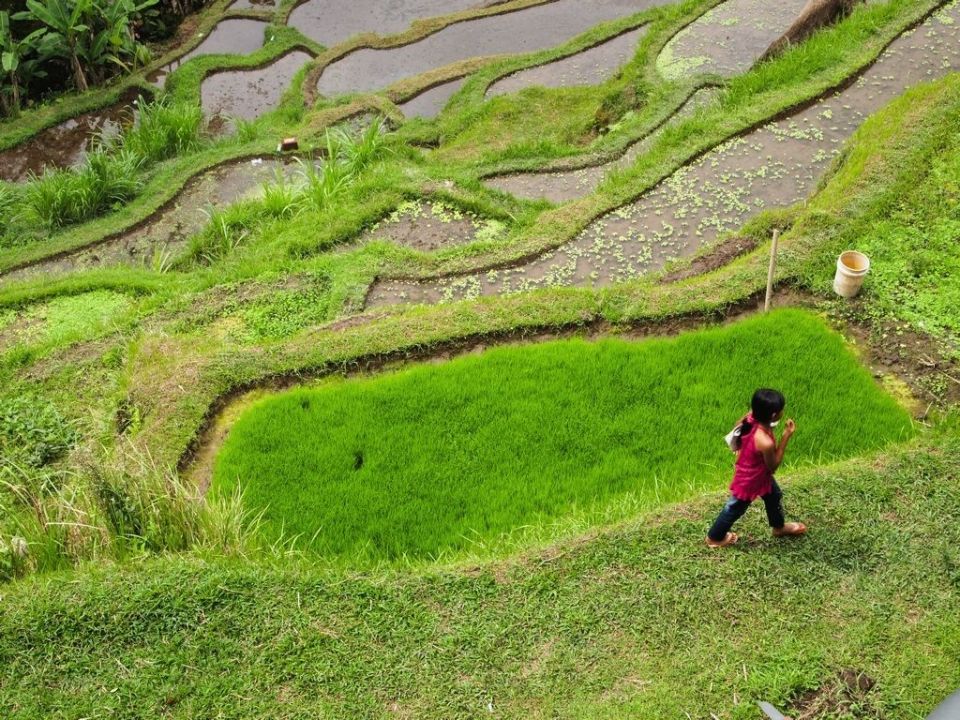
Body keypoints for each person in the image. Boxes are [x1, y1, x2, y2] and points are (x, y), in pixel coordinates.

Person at [706, 388, 807, 548]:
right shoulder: (765, 442)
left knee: (774, 495)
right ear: (774, 415)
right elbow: (773, 466)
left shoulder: (751, 417)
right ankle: (714, 537)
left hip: (759, 473)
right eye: (781, 409)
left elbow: (739, 428)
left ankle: (778, 527)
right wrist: (786, 436)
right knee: (735, 507)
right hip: (751, 479)